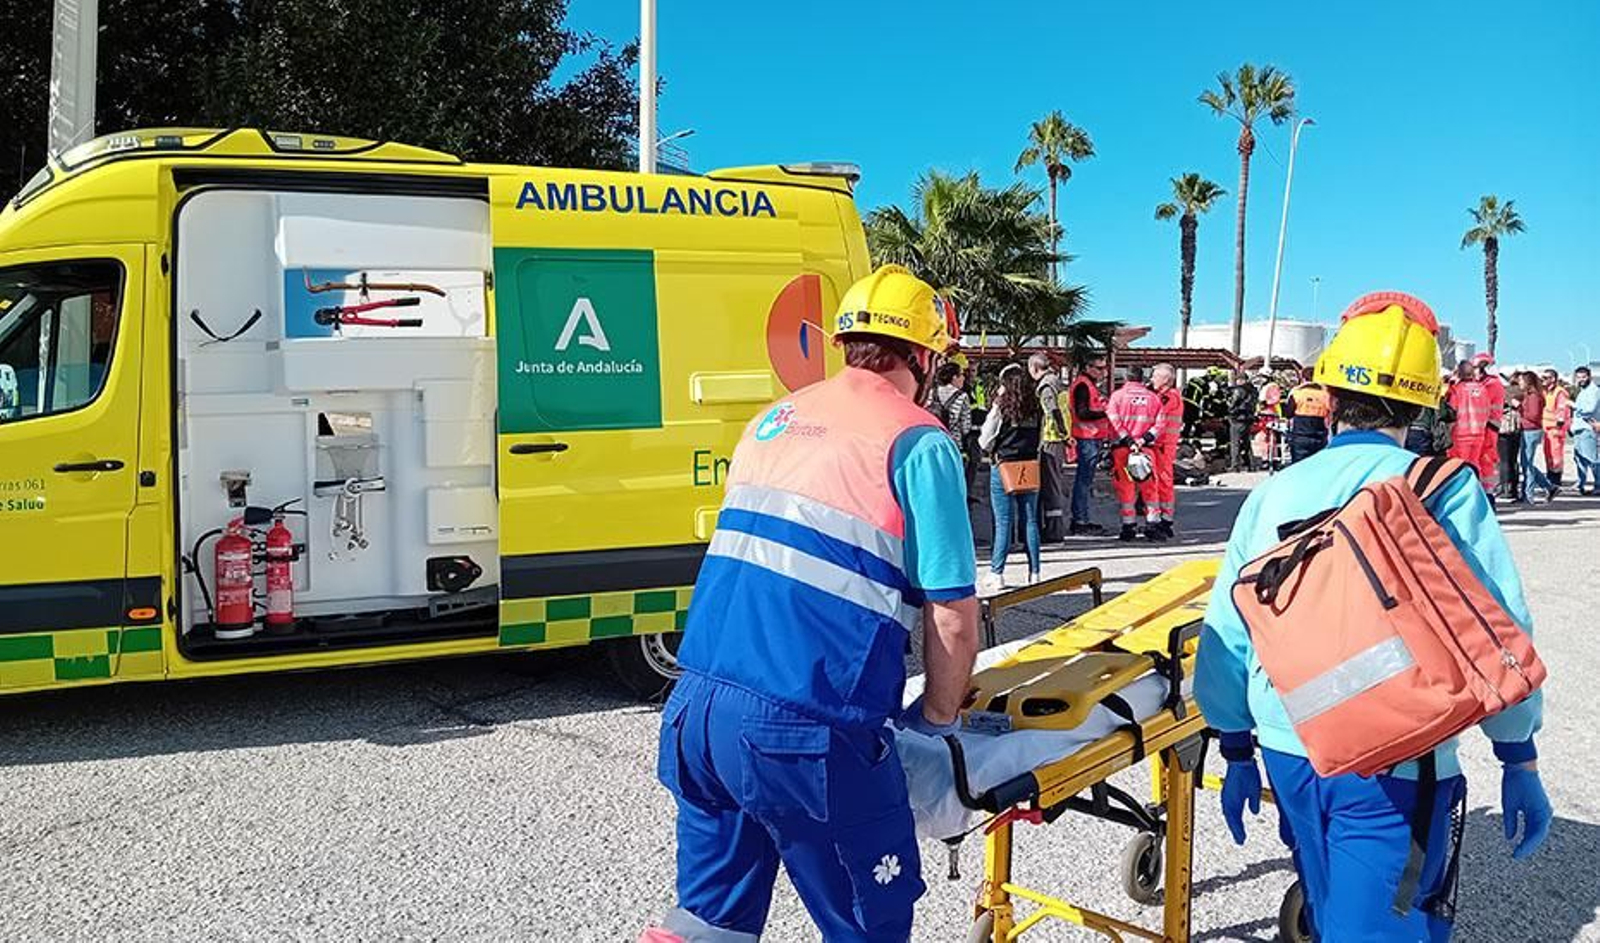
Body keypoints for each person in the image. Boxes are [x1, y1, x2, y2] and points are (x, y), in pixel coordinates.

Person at [1196, 291, 1550, 942]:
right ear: (1423, 406)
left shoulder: (1273, 493)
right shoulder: (1442, 487)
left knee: (1332, 907)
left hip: (1289, 747)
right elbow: (1497, 630)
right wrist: (1517, 753)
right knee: (1387, 927)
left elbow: (1227, 633)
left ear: (1328, 401)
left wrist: (1237, 744)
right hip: (1399, 759)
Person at [646, 265, 980, 943]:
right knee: (866, 923)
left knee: (708, 922)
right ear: (923, 355)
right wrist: (939, 720)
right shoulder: (918, 440)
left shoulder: (774, 418)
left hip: (698, 709)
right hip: (804, 730)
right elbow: (951, 612)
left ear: (848, 342)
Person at [980, 363, 1043, 589]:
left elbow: (985, 438)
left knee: (1004, 521)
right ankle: (1035, 572)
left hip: (1004, 465)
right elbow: (1041, 436)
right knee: (1031, 520)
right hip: (1029, 465)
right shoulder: (1036, 407)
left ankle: (997, 573)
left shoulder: (1002, 407)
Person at [1105, 367, 1166, 542]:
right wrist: (1143, 440)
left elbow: (1113, 421)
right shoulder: (1153, 398)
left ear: (1126, 378)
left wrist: (1129, 441)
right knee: (1150, 489)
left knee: (1126, 489)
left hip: (1122, 450)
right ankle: (1152, 525)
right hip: (1146, 450)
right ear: (1142, 378)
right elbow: (1160, 424)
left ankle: (1128, 527)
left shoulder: (1117, 396)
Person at [1066, 354, 1112, 535]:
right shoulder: (1083, 385)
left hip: (1090, 437)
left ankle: (1082, 518)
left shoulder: (1088, 385)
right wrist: (1105, 412)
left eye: (1104, 368)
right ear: (1088, 367)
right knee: (1083, 481)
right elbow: (1083, 413)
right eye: (1099, 368)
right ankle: (1080, 520)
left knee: (1085, 481)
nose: (1103, 372)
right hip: (1086, 437)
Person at [1030, 352, 1071, 543]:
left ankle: (1054, 531)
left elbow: (1052, 412)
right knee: (1052, 485)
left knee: (1051, 487)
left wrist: (1062, 433)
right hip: (1058, 439)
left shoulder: (1046, 386)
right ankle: (1053, 528)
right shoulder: (1058, 382)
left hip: (1050, 439)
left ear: (1034, 368)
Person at [931, 360, 976, 495]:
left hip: (933, 441)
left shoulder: (931, 393)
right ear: (953, 377)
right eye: (961, 375)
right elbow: (966, 427)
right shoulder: (962, 397)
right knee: (953, 483)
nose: (963, 378)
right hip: (953, 444)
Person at [1150, 362, 1183, 537]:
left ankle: (1165, 519)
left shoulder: (1169, 396)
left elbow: (1154, 412)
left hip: (1163, 444)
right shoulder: (1169, 395)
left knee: (1162, 481)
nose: (1151, 379)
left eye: (1155, 376)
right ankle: (1163, 517)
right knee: (1161, 481)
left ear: (1164, 380)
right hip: (1162, 444)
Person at [1516, 371, 1556, 503]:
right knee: (1526, 462)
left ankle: (1528, 494)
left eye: (1521, 381)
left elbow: (1533, 415)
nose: (1519, 383)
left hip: (1531, 430)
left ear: (1528, 382)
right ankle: (1548, 486)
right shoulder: (1529, 395)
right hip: (1528, 430)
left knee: (1527, 463)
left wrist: (1519, 407)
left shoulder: (1534, 397)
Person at [1477, 354, 1509, 500]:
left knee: (1486, 460)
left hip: (1489, 426)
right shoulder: (1489, 383)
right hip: (1485, 426)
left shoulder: (1491, 384)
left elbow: (1481, 403)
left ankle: (1488, 495)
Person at [1283, 369, 1332, 464]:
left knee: (1298, 465)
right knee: (1317, 465)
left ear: (1303, 378)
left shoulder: (1297, 394)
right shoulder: (1326, 395)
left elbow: (1288, 413)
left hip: (1300, 435)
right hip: (1320, 436)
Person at [1541, 368, 1572, 488]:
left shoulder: (1559, 392)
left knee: (1556, 456)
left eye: (1545, 378)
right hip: (1547, 428)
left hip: (1556, 429)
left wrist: (1559, 423)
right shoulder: (1548, 392)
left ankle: (1555, 481)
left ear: (1553, 379)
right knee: (1548, 455)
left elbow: (1562, 409)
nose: (1543, 380)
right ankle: (1550, 480)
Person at [1572, 366, 1600, 495]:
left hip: (1588, 429)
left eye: (1584, 377)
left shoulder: (1594, 391)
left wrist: (1574, 406)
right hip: (1578, 429)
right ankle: (1581, 484)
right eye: (1578, 377)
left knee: (1592, 459)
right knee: (1579, 459)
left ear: (1589, 376)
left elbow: (1590, 409)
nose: (1581, 379)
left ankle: (1598, 485)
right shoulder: (1582, 391)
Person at [1227, 372, 1259, 472]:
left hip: (1238, 418)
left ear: (1240, 380)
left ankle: (1235, 466)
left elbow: (1233, 404)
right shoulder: (1253, 390)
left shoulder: (1239, 390)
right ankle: (1251, 464)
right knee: (1246, 443)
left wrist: (1230, 410)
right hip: (1248, 419)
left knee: (1235, 443)